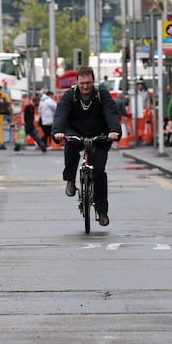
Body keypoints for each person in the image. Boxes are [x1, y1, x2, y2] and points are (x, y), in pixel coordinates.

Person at [53, 66, 121, 226]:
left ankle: (102, 211)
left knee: (98, 172)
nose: (85, 87)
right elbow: (61, 113)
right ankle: (70, 180)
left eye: (88, 83)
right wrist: (57, 132)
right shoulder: (70, 96)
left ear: (93, 81)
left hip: (100, 134)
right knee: (70, 147)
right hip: (76, 132)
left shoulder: (101, 94)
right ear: (77, 82)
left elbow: (111, 112)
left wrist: (114, 131)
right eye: (82, 83)